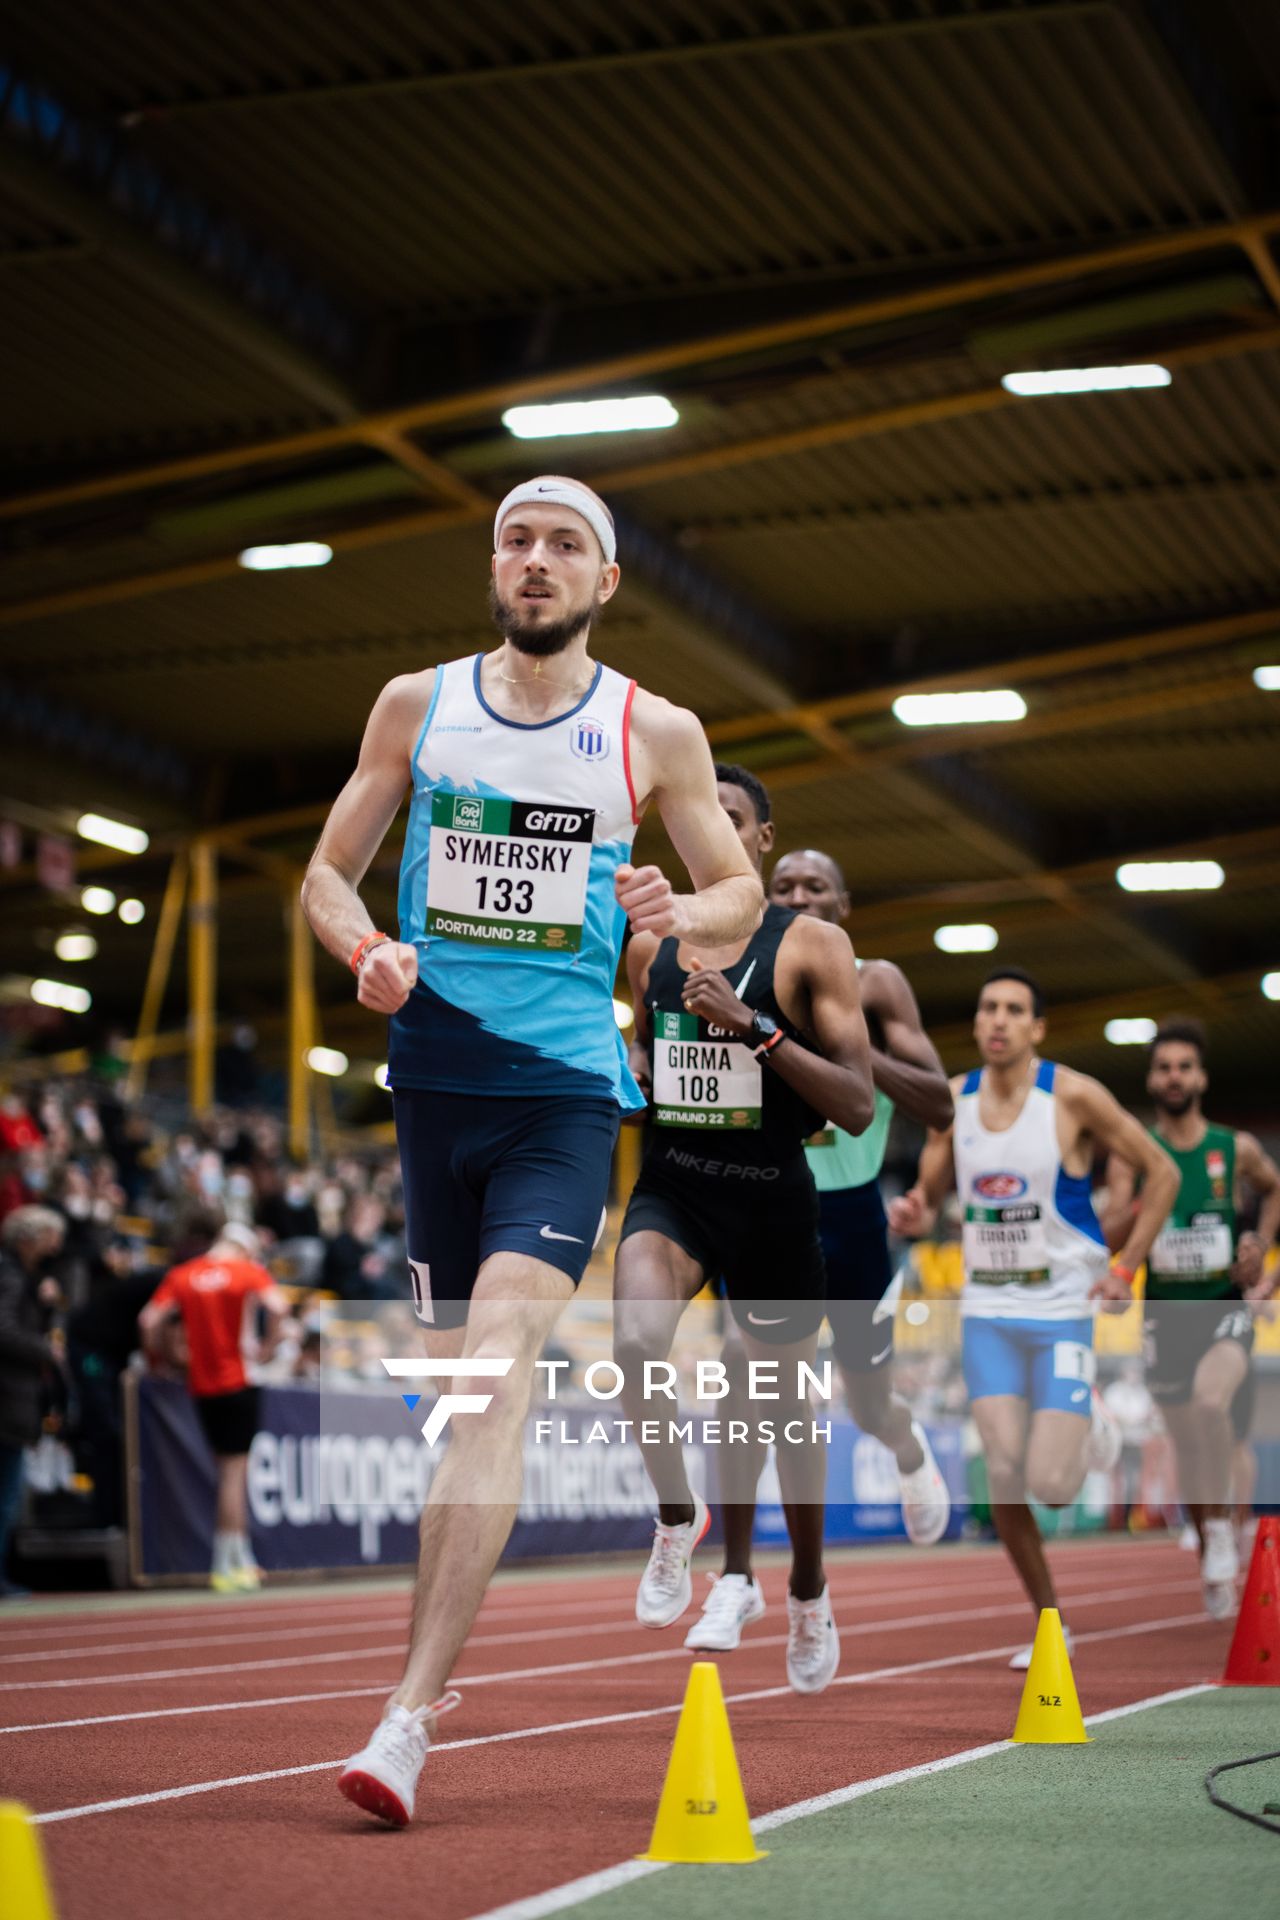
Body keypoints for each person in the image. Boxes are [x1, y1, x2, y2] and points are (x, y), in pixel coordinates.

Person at [302, 475, 763, 1826]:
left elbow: (734, 888)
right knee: (459, 1406)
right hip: (430, 1094)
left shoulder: (652, 730)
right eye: (517, 540)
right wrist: (366, 949)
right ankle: (421, 1686)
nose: (538, 560)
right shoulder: (417, 705)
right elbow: (326, 873)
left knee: (496, 1372)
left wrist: (685, 907)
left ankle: (404, 1720)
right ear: (494, 566)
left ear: (605, 582)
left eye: (567, 545)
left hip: (564, 1098)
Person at [614, 766, 874, 1694]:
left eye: (730, 819)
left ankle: (805, 1588)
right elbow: (646, 1058)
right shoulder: (650, 946)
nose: (709, 832)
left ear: (759, 841)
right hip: (678, 1187)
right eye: (695, 820)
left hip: (770, 1200)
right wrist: (630, 1069)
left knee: (785, 1418)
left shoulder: (812, 947)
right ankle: (675, 1518)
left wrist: (755, 1028)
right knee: (636, 1341)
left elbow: (856, 1103)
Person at [690, 846, 955, 1655]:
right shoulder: (744, 970)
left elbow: (941, 1103)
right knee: (753, 1379)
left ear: (844, 903)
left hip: (850, 1220)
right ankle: (739, 1576)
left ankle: (906, 1448)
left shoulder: (875, 982)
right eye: (784, 887)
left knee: (867, 1402)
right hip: (767, 1201)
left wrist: (846, 1057)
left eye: (815, 887)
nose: (799, 894)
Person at [889, 968, 1178, 1667]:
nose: (998, 1020)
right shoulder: (954, 1101)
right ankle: (1051, 1620)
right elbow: (930, 1188)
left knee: (1052, 1483)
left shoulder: (1072, 1096)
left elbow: (1162, 1172)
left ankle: (1092, 1415)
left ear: (1037, 1027)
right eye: (988, 1007)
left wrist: (1123, 1266)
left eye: (1015, 1010)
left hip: (1059, 1312)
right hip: (987, 1312)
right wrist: (918, 1210)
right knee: (1005, 1474)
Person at [1102, 1019, 1280, 1617]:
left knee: (1211, 1406)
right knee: (1185, 1440)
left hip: (1222, 1308)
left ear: (1200, 1076)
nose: (1174, 1076)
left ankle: (1229, 1528)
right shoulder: (1135, 1152)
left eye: (1184, 1066)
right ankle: (1211, 1543)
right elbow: (1109, 1231)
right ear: (1151, 1079)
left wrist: (1257, 1240)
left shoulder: (1234, 1149)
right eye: (1163, 1067)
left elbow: (1274, 1189)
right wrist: (1147, 1196)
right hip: (1164, 1318)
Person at [139, 1220, 287, 1593]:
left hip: (202, 1383)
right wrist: (267, 1349)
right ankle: (226, 1563)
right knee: (234, 1474)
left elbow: (149, 1320)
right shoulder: (247, 1271)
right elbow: (279, 1307)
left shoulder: (183, 1274)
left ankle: (241, 1558)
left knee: (228, 1471)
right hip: (239, 1379)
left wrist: (168, 1357)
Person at [0, 1205, 66, 1598]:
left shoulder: (23, 1277)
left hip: (13, 1400)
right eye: (47, 1237)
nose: (52, 1247)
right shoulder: (10, 1275)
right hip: (8, 1400)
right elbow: (4, 1328)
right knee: (5, 1495)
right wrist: (45, 1350)